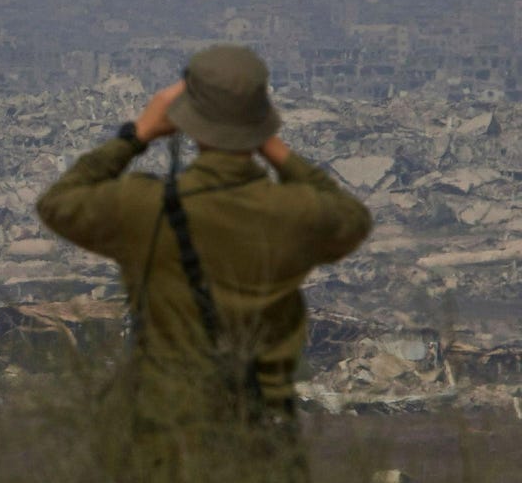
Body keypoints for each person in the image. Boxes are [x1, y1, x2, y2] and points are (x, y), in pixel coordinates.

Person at [36, 44, 371, 438]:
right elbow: (353, 218)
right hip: (260, 435)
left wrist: (137, 134)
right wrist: (275, 148)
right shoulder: (293, 213)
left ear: (187, 120)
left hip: (166, 436)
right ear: (261, 119)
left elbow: (58, 203)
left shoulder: (145, 209)